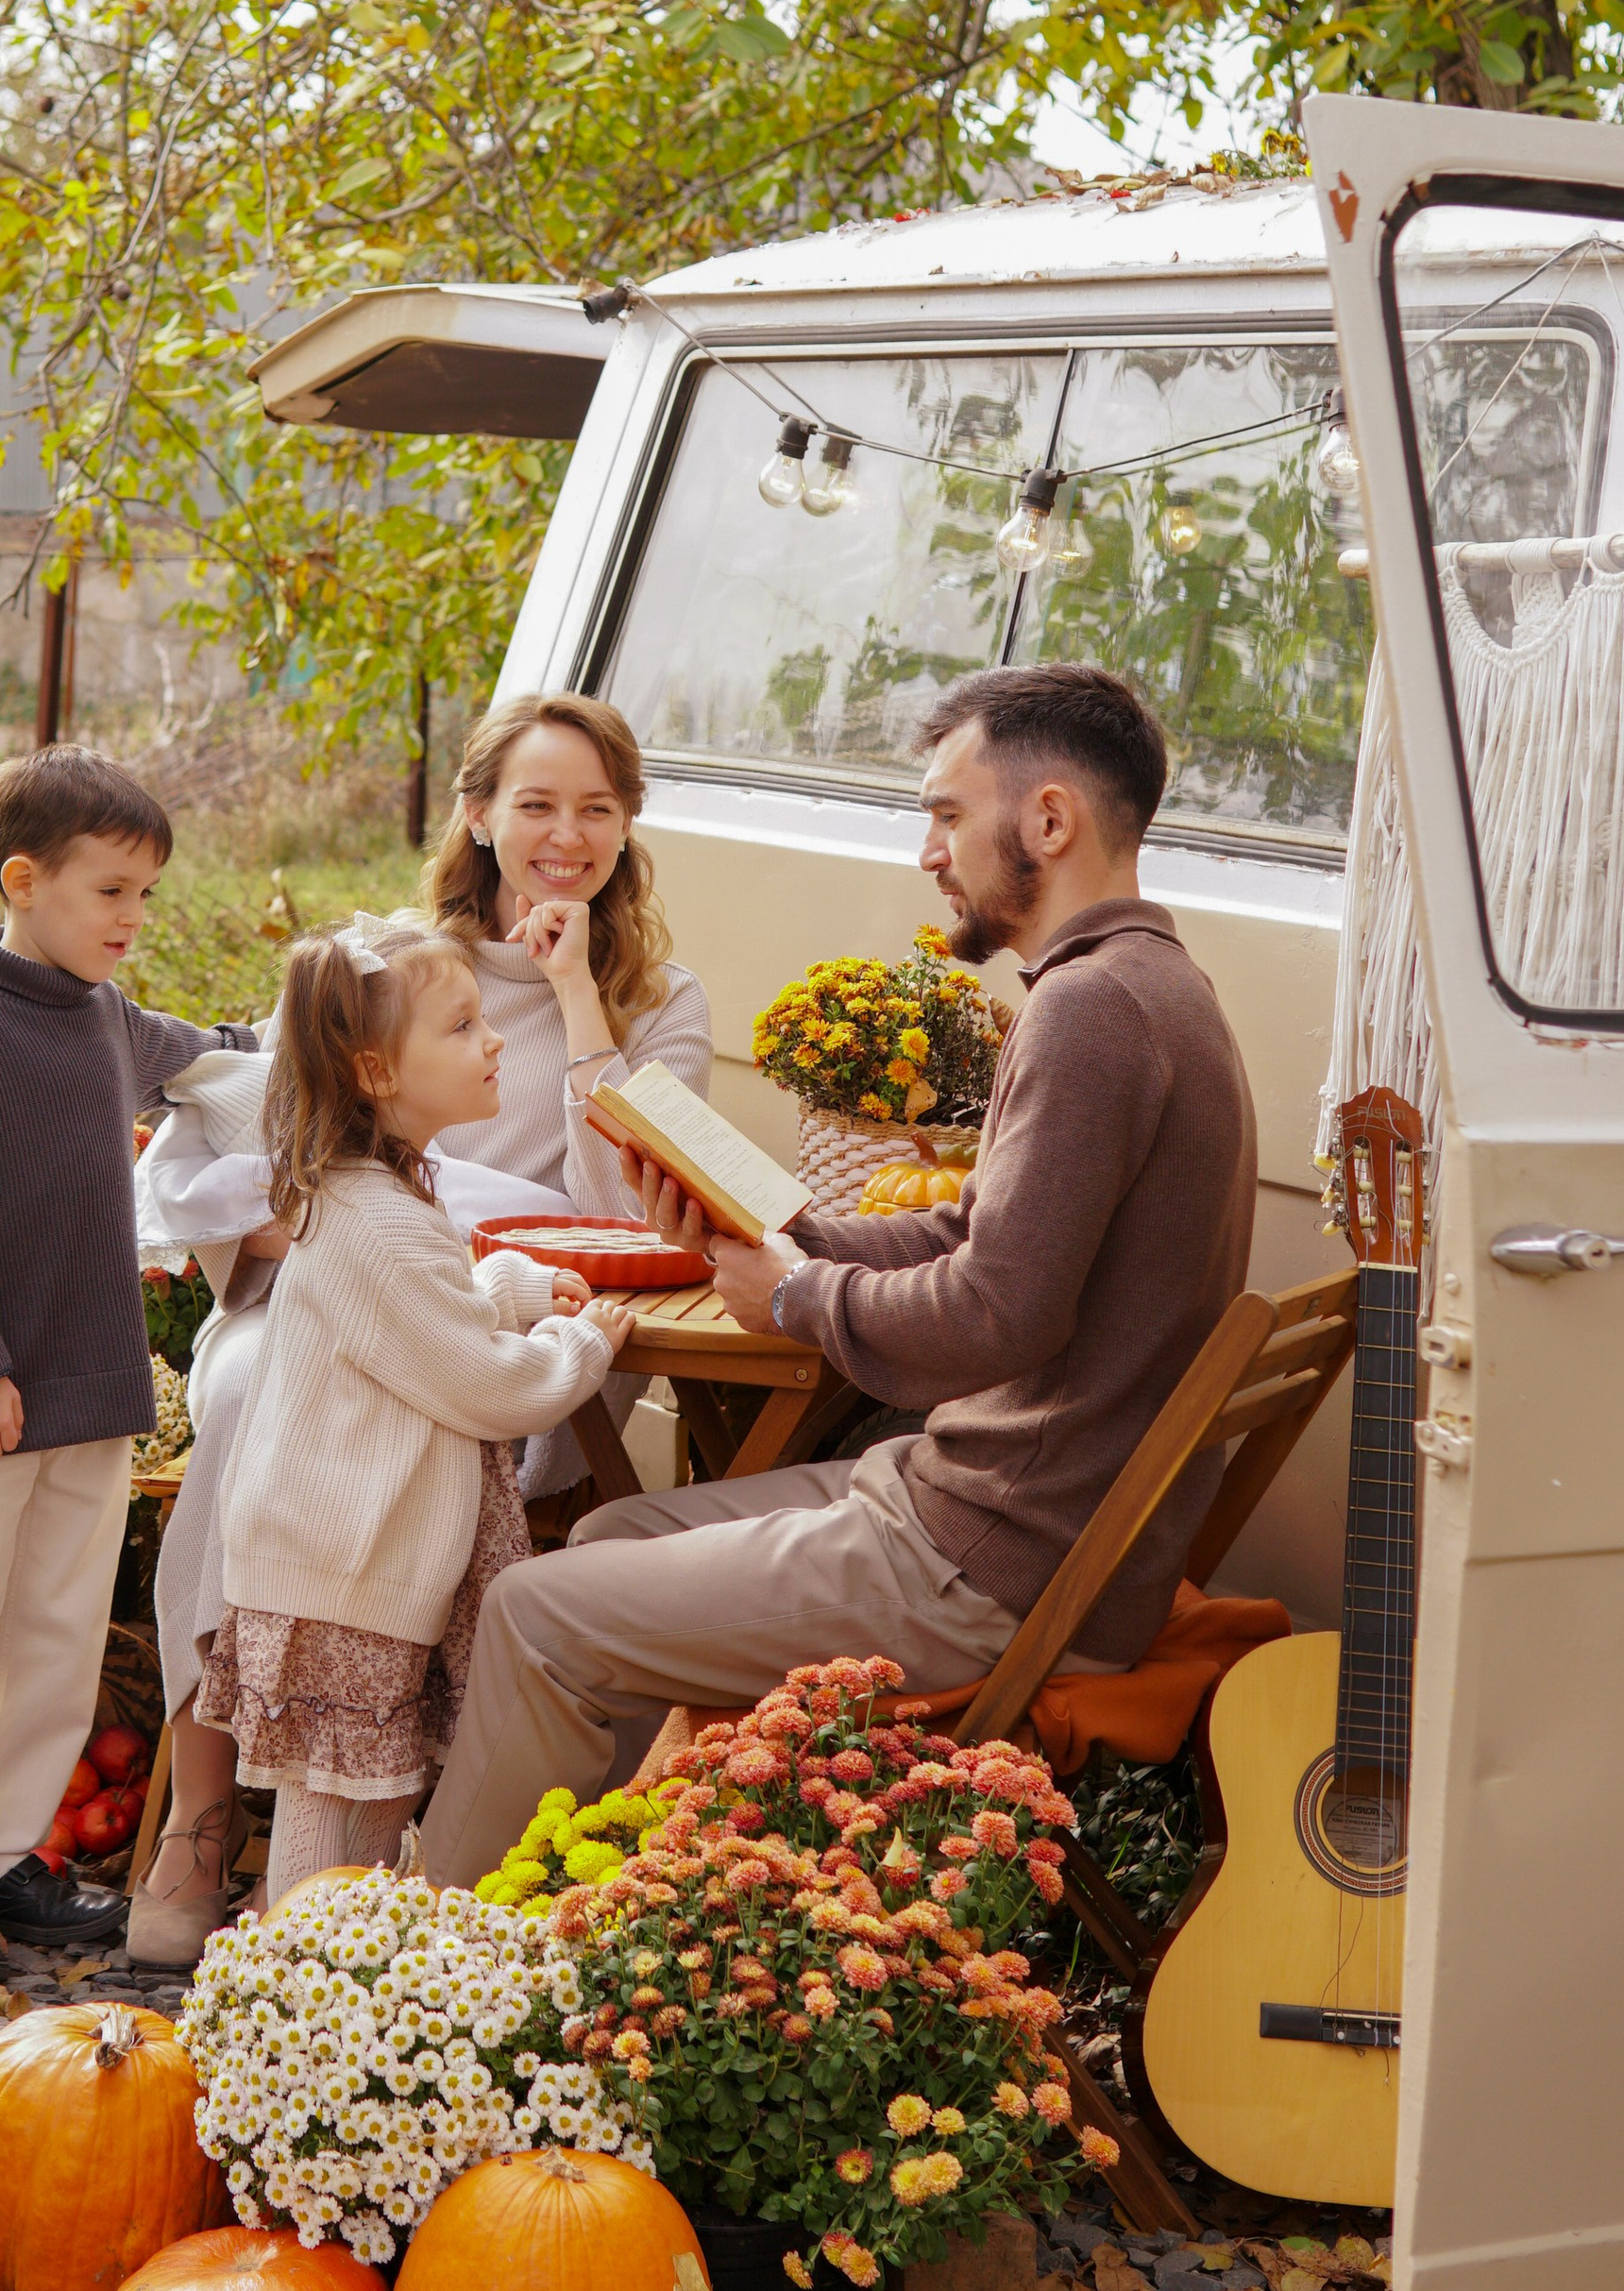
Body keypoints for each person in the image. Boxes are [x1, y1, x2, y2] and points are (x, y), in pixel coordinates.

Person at [419, 661, 1260, 1888]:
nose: (929, 852)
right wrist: (782, 1232)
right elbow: (975, 1231)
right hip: (1014, 1525)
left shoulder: (1094, 1014)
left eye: (945, 815)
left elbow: (995, 1309)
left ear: (1049, 821)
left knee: (534, 1613)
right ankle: (588, 1918)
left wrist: (797, 1298)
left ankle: (440, 1975)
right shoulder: (1150, 988)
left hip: (984, 1562)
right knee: (614, 1526)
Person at [125, 687, 711, 1960]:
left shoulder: (660, 1000)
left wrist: (572, 1001)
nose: (567, 833)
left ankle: (360, 1833)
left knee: (375, 1425)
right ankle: (207, 1803)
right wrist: (316, 1235)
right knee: (239, 1398)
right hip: (332, 1298)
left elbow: (631, 1221)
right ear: (481, 814)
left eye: (597, 809)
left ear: (627, 829)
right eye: (538, 803)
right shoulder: (386, 961)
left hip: (497, 1311)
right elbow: (280, 1147)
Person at [0, 744, 254, 1989]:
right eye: (111, 892)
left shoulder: (104, 1015)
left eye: (147, 894)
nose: (134, 919)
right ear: (23, 881)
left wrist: (309, 1023)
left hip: (91, 1391)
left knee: (52, 1633)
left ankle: (3, 1854)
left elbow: (205, 1050)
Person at [197, 924, 634, 1899]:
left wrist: (514, 1284)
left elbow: (425, 1323)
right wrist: (584, 1342)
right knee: (333, 1800)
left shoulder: (374, 1199)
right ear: (375, 1071)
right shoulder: (378, 1222)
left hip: (359, 1559)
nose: (493, 1043)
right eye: (463, 1026)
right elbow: (488, 1385)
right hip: (341, 1567)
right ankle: (290, 1994)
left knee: (376, 1792)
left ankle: (351, 1976)